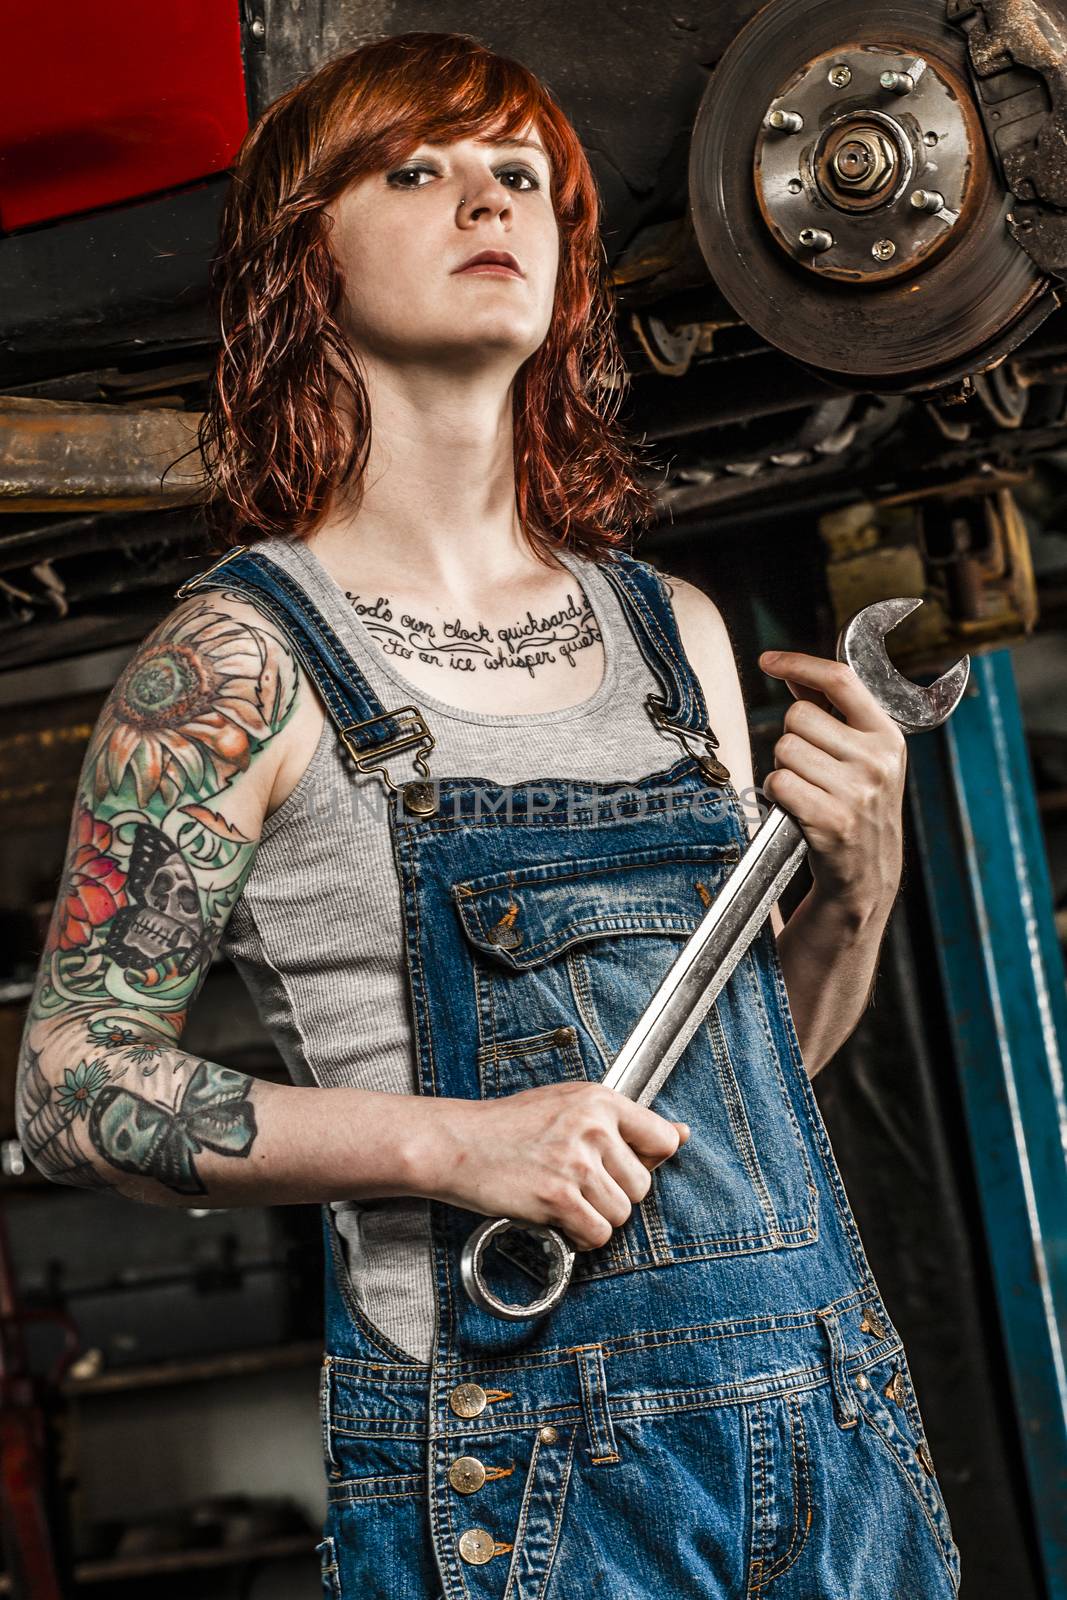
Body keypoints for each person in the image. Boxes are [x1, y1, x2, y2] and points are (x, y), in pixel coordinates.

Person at [16, 31, 961, 1599]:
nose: (490, 200)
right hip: (513, 1466)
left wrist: (859, 884)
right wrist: (456, 1147)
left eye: (521, 175)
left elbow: (727, 1091)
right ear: (306, 260)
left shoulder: (676, 634)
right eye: (420, 171)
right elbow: (69, 1086)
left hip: (829, 1426)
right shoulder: (240, 663)